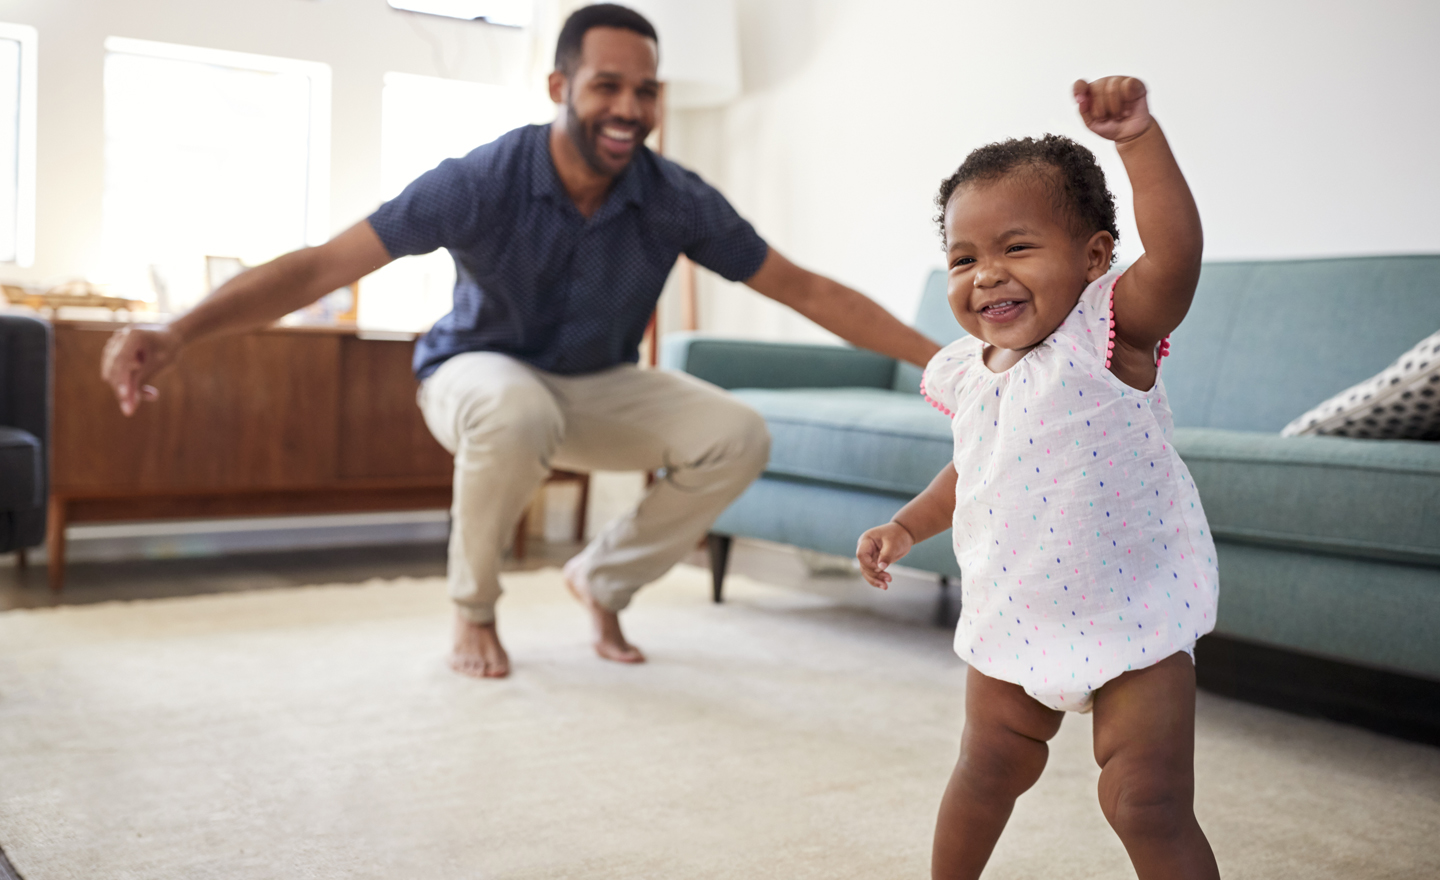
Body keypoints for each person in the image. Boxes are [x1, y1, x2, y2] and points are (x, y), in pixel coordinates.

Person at [101, 4, 939, 680]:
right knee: (511, 407)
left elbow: (804, 288)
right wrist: (178, 331)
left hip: (596, 383)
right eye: (608, 85)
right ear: (558, 83)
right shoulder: (480, 180)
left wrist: (940, 360)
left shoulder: (673, 196)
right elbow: (322, 265)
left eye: (646, 91)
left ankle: (601, 579)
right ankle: (473, 608)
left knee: (738, 432)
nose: (629, 109)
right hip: (474, 375)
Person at [855, 77, 1220, 879]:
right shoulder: (968, 371)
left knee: (1145, 800)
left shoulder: (1108, 334)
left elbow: (1178, 255)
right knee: (985, 772)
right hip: (1015, 610)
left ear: (1093, 258)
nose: (985, 274)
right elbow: (975, 467)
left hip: (1134, 621)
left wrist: (1136, 142)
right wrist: (908, 525)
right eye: (963, 257)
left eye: (1016, 248)